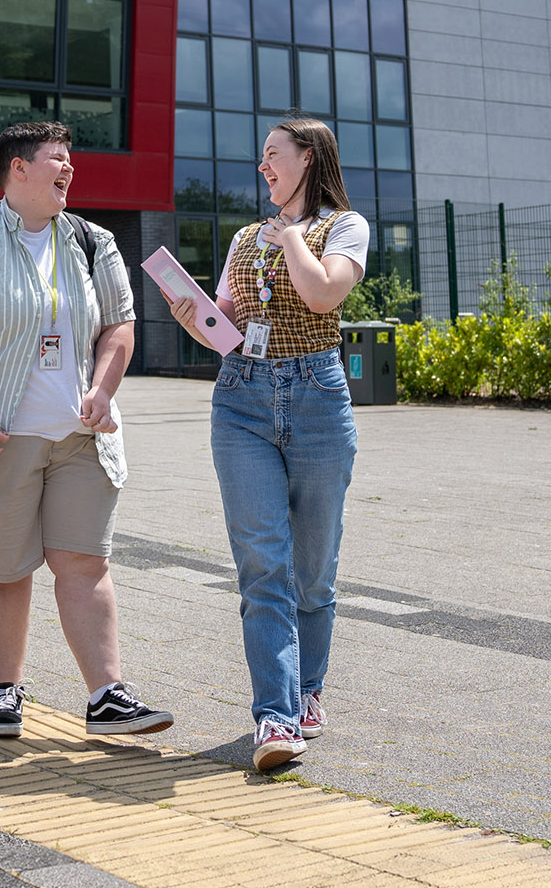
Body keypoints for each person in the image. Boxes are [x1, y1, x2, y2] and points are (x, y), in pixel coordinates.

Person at [0, 122, 172, 740]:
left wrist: (103, 391)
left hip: (81, 438)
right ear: (19, 169)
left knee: (85, 561)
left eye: (70, 160)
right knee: (5, 569)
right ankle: (5, 689)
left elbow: (119, 324)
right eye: (57, 159)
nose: (69, 170)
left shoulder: (92, 240)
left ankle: (107, 696)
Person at [169, 118, 368, 772]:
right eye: (261, 157)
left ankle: (308, 690)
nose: (263, 166)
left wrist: (292, 238)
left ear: (308, 158)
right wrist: (194, 317)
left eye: (273, 154)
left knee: (313, 570)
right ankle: (275, 716)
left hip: (317, 396)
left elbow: (322, 293)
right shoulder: (243, 238)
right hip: (242, 399)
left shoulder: (344, 228)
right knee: (262, 564)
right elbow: (226, 328)